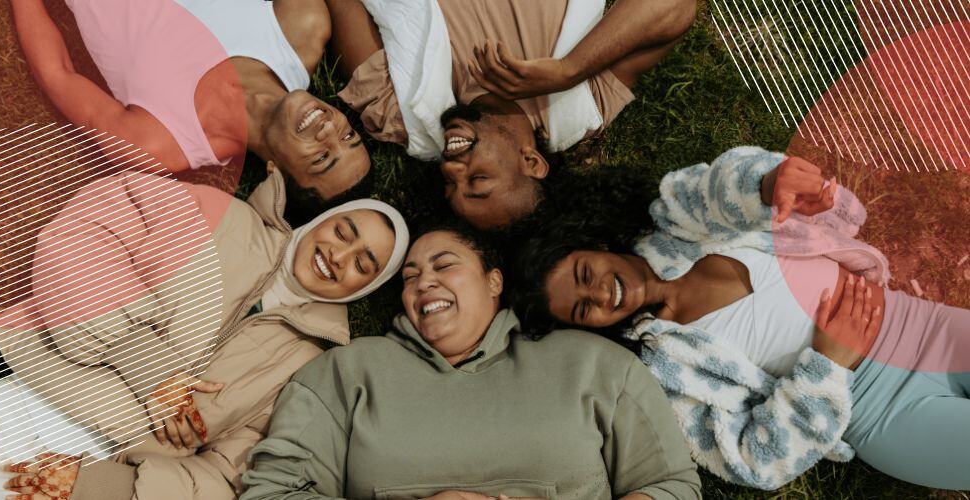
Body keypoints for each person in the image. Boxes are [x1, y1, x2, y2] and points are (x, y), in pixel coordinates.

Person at [510, 146, 970, 491]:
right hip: (882, 412)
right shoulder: (663, 372)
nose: (598, 293)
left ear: (595, 245)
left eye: (584, 274)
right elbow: (755, 461)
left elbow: (722, 187)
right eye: (582, 309)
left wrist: (766, 185)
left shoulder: (680, 224)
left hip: (922, 327)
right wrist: (828, 366)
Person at [0, 164, 409, 499]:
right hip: (37, 384)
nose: (338, 255)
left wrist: (98, 486)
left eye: (363, 263)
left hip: (110, 475)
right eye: (343, 232)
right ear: (323, 220)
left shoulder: (313, 363)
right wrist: (146, 361)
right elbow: (79, 240)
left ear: (365, 286)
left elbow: (228, 473)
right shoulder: (219, 217)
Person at [239, 225, 702, 500]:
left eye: (445, 266)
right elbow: (271, 492)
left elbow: (672, 485)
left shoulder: (594, 364)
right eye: (410, 277)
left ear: (493, 280)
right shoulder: (346, 373)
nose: (424, 283)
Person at [326, 0, 696, 230]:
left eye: (451, 185)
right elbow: (676, 7)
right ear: (531, 162)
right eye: (477, 179)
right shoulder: (581, 103)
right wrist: (569, 69)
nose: (451, 168)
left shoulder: (400, 117)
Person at [10, 0, 372, 205]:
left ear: (275, 173)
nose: (329, 130)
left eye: (321, 157)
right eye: (349, 136)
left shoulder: (162, 142)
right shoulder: (302, 27)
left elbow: (58, 75)